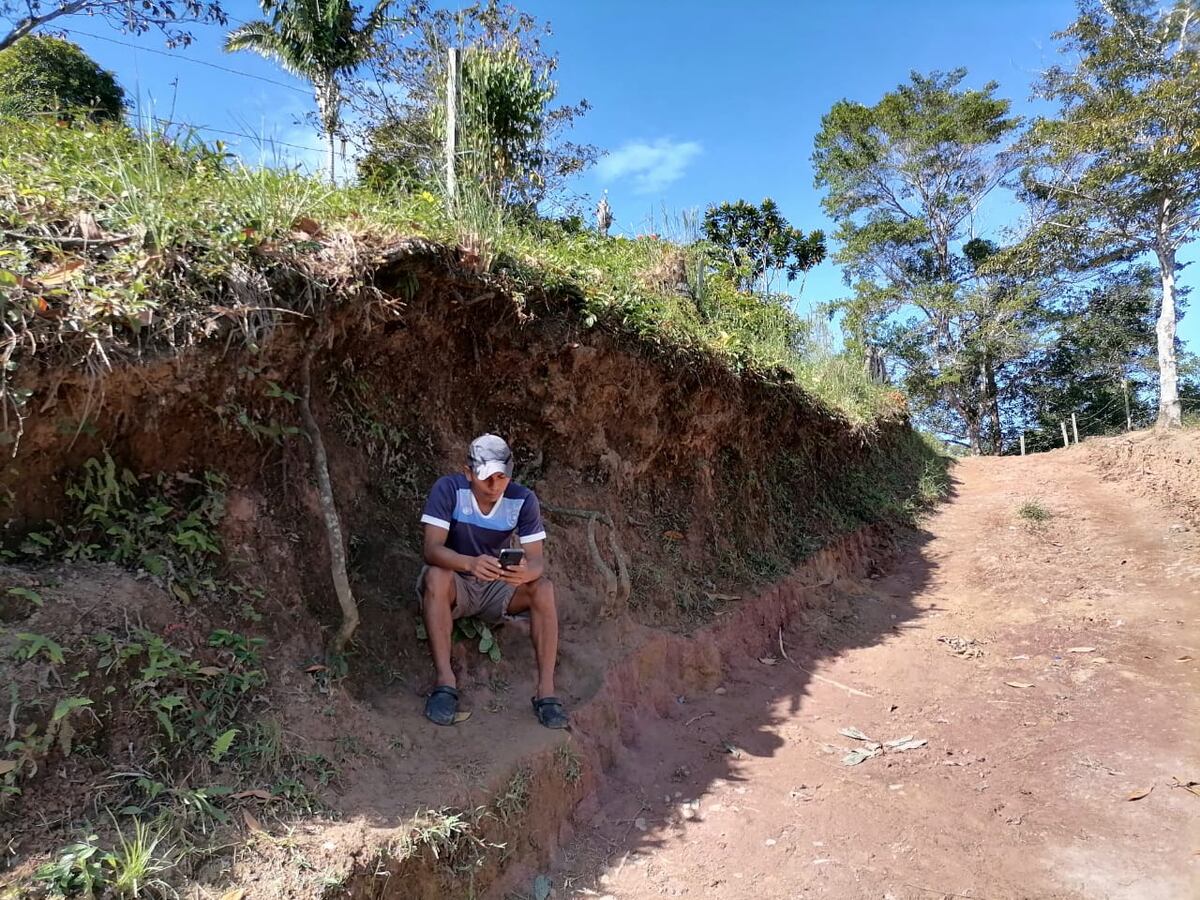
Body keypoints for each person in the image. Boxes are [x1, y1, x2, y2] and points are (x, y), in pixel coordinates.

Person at [416, 434, 568, 729]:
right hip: (457, 581)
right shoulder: (448, 489)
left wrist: (525, 573)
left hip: (497, 586)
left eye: (501, 477)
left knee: (544, 589)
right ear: (468, 472)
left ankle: (546, 693)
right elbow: (431, 550)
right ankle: (446, 683)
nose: (494, 486)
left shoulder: (523, 500)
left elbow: (537, 561)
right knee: (435, 576)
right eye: (486, 477)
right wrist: (469, 563)